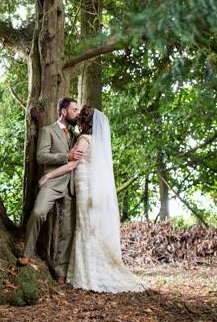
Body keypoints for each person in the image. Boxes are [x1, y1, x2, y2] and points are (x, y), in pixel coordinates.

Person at [38, 105, 148, 292]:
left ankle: (89, 275)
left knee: (86, 229)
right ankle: (92, 271)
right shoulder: (99, 142)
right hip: (93, 191)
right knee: (91, 230)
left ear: (84, 122)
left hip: (86, 191)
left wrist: (48, 176)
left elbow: (71, 165)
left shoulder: (84, 140)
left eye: (80, 116)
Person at [17, 97, 82, 286]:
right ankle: (27, 253)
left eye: (78, 111)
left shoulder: (77, 136)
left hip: (71, 186)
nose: (77, 114)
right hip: (52, 182)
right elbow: (41, 156)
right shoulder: (48, 131)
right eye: (74, 110)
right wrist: (66, 156)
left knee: (68, 230)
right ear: (63, 111)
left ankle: (61, 272)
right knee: (38, 213)